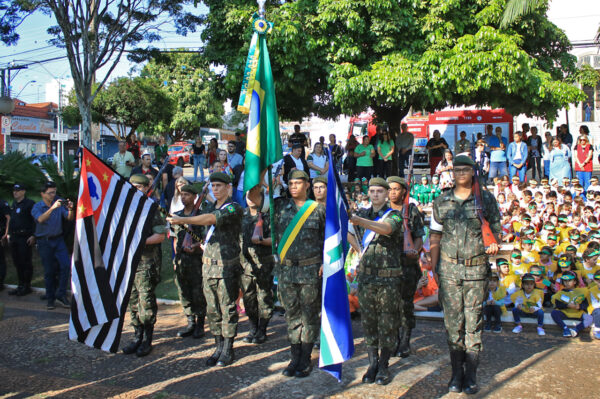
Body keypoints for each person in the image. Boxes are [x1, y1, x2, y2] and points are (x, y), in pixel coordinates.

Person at [429, 155, 501, 395]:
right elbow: (435, 237)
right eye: (456, 169)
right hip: (449, 271)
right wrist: (435, 267)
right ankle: (456, 372)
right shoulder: (441, 201)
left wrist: (493, 243)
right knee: (453, 324)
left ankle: (471, 374)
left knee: (473, 323)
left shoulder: (486, 200)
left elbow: (497, 230)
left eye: (465, 169)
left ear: (473, 172)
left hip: (476, 270)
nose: (460, 173)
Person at [247, 169, 326, 379]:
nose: (293, 187)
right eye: (290, 183)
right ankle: (294, 357)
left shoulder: (318, 210)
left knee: (308, 316)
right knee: (292, 315)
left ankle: (305, 359)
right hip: (287, 270)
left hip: (310, 270)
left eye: (297, 183)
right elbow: (254, 199)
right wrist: (260, 177)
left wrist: (325, 263)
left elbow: (329, 240)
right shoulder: (279, 206)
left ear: (307, 185)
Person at [167, 172, 243, 367]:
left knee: (227, 308)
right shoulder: (208, 206)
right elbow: (202, 233)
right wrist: (198, 242)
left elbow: (211, 219)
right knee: (212, 309)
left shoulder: (233, 208)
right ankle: (218, 346)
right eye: (213, 186)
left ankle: (228, 348)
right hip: (208, 266)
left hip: (226, 266)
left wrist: (184, 220)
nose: (216, 189)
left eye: (219, 185)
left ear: (228, 188)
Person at [350, 177, 403, 385]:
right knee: (369, 322)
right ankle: (372, 364)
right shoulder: (362, 213)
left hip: (388, 279)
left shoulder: (394, 215)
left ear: (387, 193)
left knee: (387, 323)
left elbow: (387, 229)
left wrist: (361, 222)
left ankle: (384, 365)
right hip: (367, 277)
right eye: (371, 191)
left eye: (379, 191)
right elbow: (349, 233)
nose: (375, 195)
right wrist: (358, 248)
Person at [120, 174, 166, 357]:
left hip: (147, 263)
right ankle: (136, 336)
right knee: (132, 301)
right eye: (132, 187)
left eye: (139, 187)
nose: (135, 190)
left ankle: (147, 339)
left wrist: (139, 242)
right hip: (130, 262)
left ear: (147, 188)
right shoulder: (126, 208)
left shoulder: (151, 208)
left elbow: (160, 235)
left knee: (145, 302)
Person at [387, 176, 425, 358]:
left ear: (404, 192)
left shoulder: (411, 210)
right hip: (387, 265)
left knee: (405, 304)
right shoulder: (384, 211)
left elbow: (419, 235)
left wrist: (415, 251)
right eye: (390, 189)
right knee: (390, 305)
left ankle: (405, 340)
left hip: (407, 265)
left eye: (396, 189)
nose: (392, 192)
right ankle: (393, 338)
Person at [31, 181, 75, 310]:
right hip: (44, 241)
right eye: (50, 193)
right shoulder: (37, 207)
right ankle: (50, 298)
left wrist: (71, 209)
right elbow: (40, 219)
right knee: (49, 271)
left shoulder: (59, 203)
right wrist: (53, 208)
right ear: (42, 194)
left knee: (66, 266)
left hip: (58, 239)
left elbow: (69, 218)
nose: (53, 195)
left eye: (54, 192)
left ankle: (61, 294)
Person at [239, 192, 275, 344]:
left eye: (254, 196)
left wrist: (261, 241)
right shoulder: (241, 215)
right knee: (249, 298)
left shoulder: (268, 216)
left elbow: (276, 239)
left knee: (264, 297)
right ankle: (253, 327)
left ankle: (262, 329)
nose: (250, 199)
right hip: (245, 264)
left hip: (263, 263)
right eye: (248, 196)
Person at [172, 185, 207, 339]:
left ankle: (200, 324)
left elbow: (205, 240)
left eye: (187, 194)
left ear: (194, 197)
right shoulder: (177, 216)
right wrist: (175, 257)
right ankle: (190, 322)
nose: (183, 197)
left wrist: (196, 247)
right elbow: (174, 239)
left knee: (198, 292)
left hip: (196, 260)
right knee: (183, 291)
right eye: (182, 195)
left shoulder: (201, 216)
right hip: (181, 260)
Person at [7, 184, 36, 296]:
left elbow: (35, 221)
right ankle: (20, 285)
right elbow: (12, 220)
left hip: (25, 237)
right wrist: (9, 234)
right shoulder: (14, 204)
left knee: (25, 262)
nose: (15, 193)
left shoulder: (29, 204)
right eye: (14, 190)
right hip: (14, 237)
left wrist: (34, 235)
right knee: (17, 262)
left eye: (18, 191)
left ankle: (26, 286)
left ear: (23, 192)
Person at [551, 270, 591, 338]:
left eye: (569, 280)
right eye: (565, 281)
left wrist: (579, 306)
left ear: (575, 281)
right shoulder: (560, 293)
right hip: (565, 312)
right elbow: (558, 305)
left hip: (578, 313)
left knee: (589, 318)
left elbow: (586, 304)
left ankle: (576, 329)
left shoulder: (582, 291)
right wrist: (567, 305)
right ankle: (565, 328)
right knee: (554, 313)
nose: (567, 283)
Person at [0, 197, 9, 291]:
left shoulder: (2, 203)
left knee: (1, 260)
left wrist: (6, 233)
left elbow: (8, 218)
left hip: (0, 234)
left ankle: (0, 282)